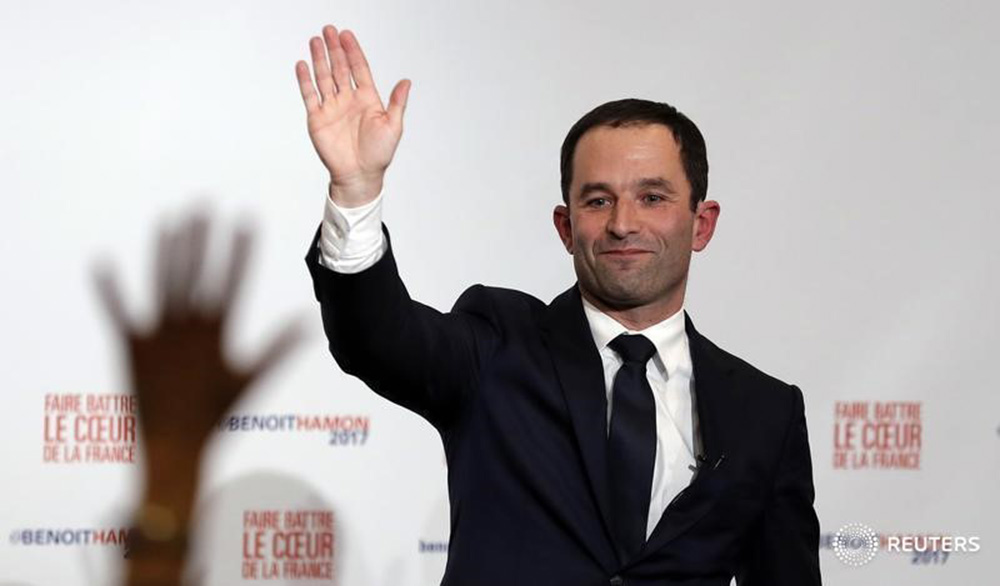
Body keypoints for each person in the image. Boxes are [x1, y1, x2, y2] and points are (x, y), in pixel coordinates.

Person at [297, 24, 821, 586]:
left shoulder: (765, 412)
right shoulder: (497, 346)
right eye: (599, 200)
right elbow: (376, 338)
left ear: (702, 223)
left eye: (652, 197)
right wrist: (356, 191)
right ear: (566, 227)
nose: (623, 223)